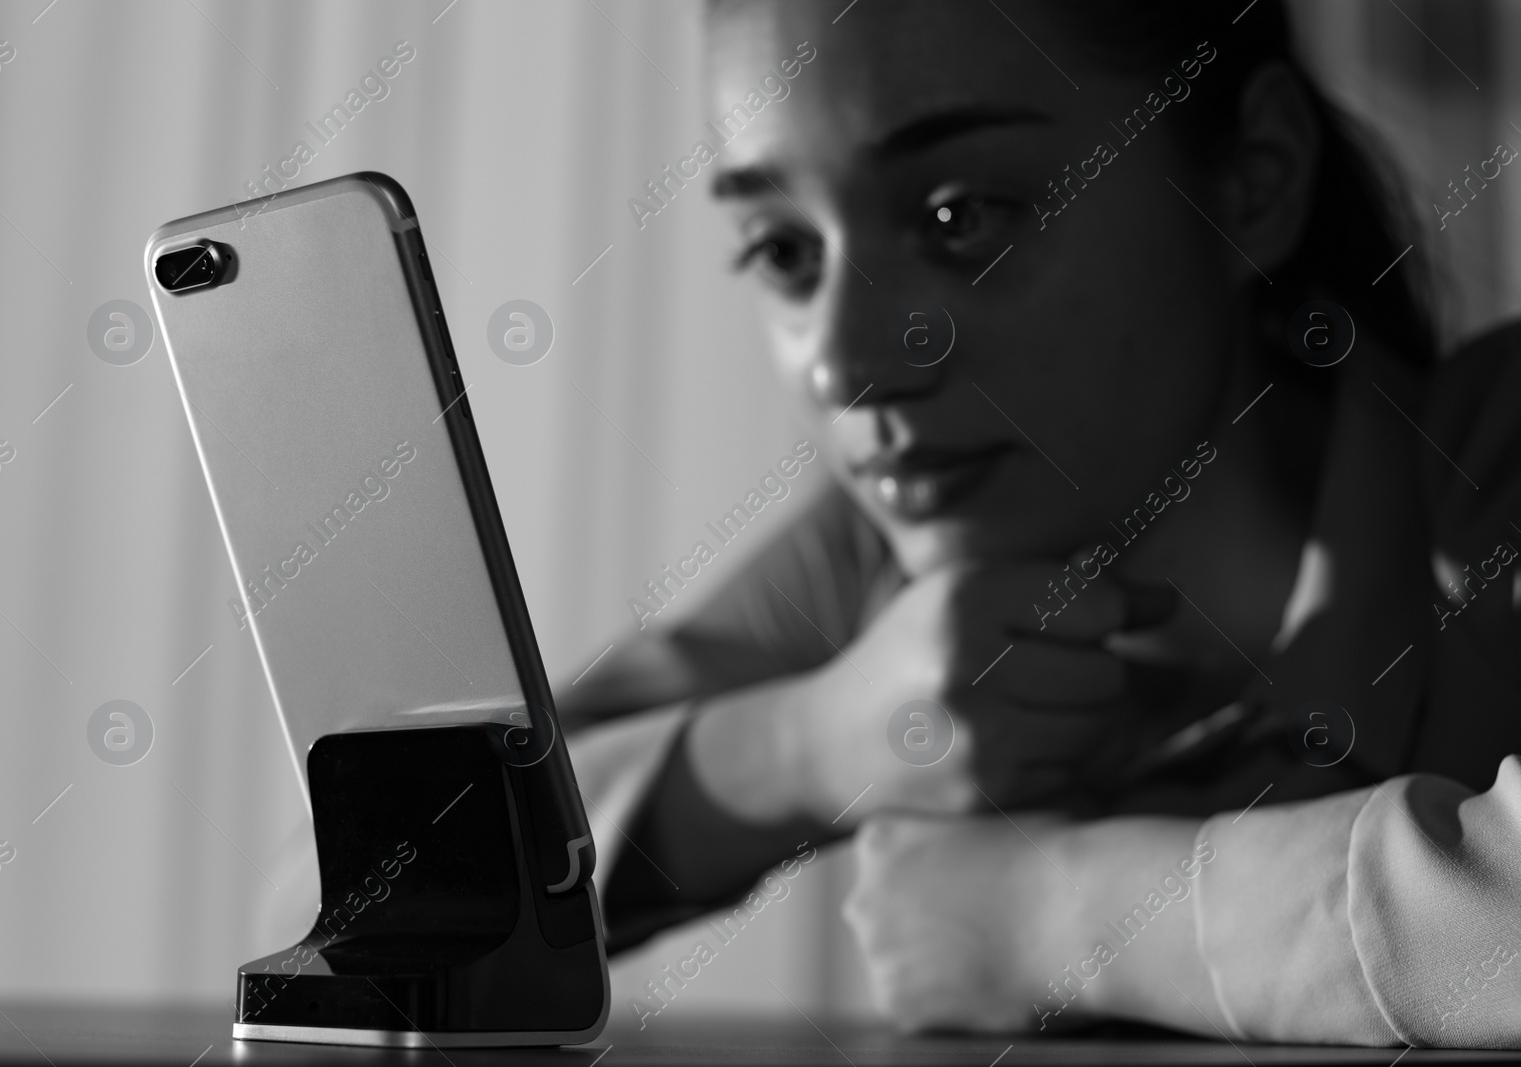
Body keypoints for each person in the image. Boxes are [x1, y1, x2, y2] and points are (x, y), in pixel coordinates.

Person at [557, 0, 1521, 1043]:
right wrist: (804, 744)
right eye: (785, 250)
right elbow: (407, 875)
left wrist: (1042, 909)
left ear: (1254, 178)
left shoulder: (1496, 451)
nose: (842, 364)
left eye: (957, 217)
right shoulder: (868, 564)